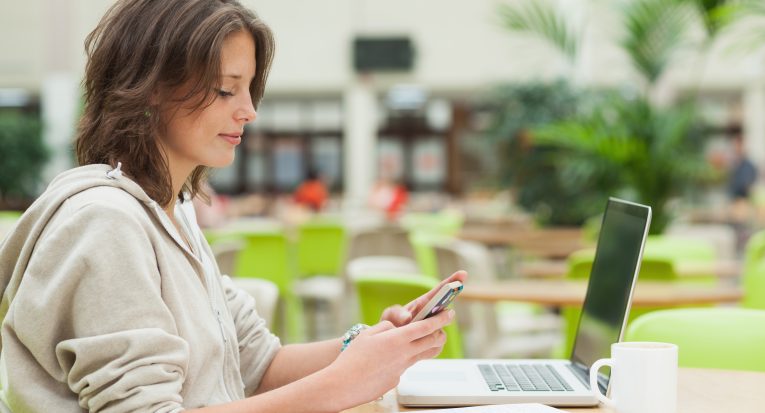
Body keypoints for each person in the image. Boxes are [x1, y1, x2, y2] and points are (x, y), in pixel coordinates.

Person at [0, 0, 466, 411]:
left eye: (248, 90)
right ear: (149, 89)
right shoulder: (104, 223)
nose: (248, 110)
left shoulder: (173, 213)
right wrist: (344, 383)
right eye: (226, 89)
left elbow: (257, 364)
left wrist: (366, 347)